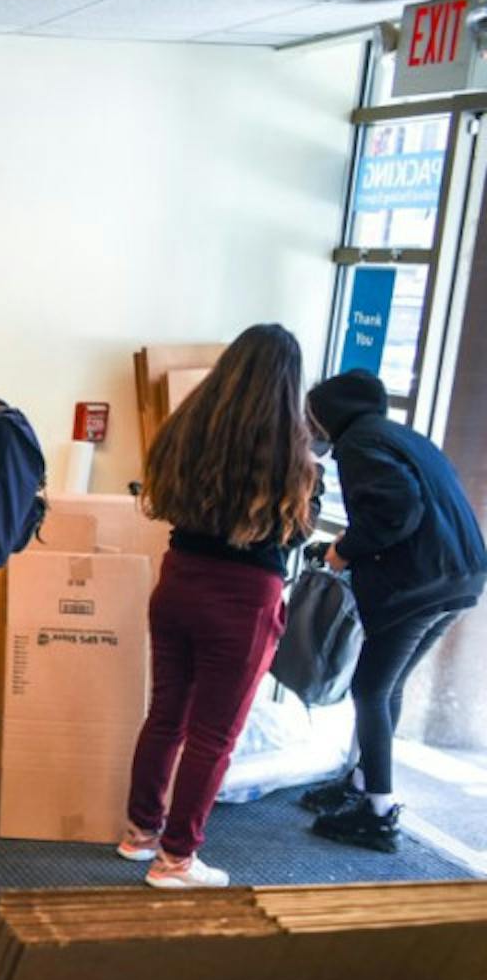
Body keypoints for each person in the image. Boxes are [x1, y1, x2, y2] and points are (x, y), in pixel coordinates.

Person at [117, 325, 319, 887]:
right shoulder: (289, 448)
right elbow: (295, 529)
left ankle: (141, 833)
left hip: (178, 579)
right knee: (214, 735)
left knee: (165, 717)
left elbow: (159, 496)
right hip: (243, 597)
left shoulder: (187, 426)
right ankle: (177, 860)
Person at [300, 368, 486, 849]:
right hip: (459, 577)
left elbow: (396, 510)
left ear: (329, 416)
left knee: (370, 689)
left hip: (419, 585)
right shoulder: (395, 435)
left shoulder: (359, 443)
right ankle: (363, 783)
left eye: (313, 418)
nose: (311, 428)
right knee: (388, 685)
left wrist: (342, 552)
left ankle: (377, 813)